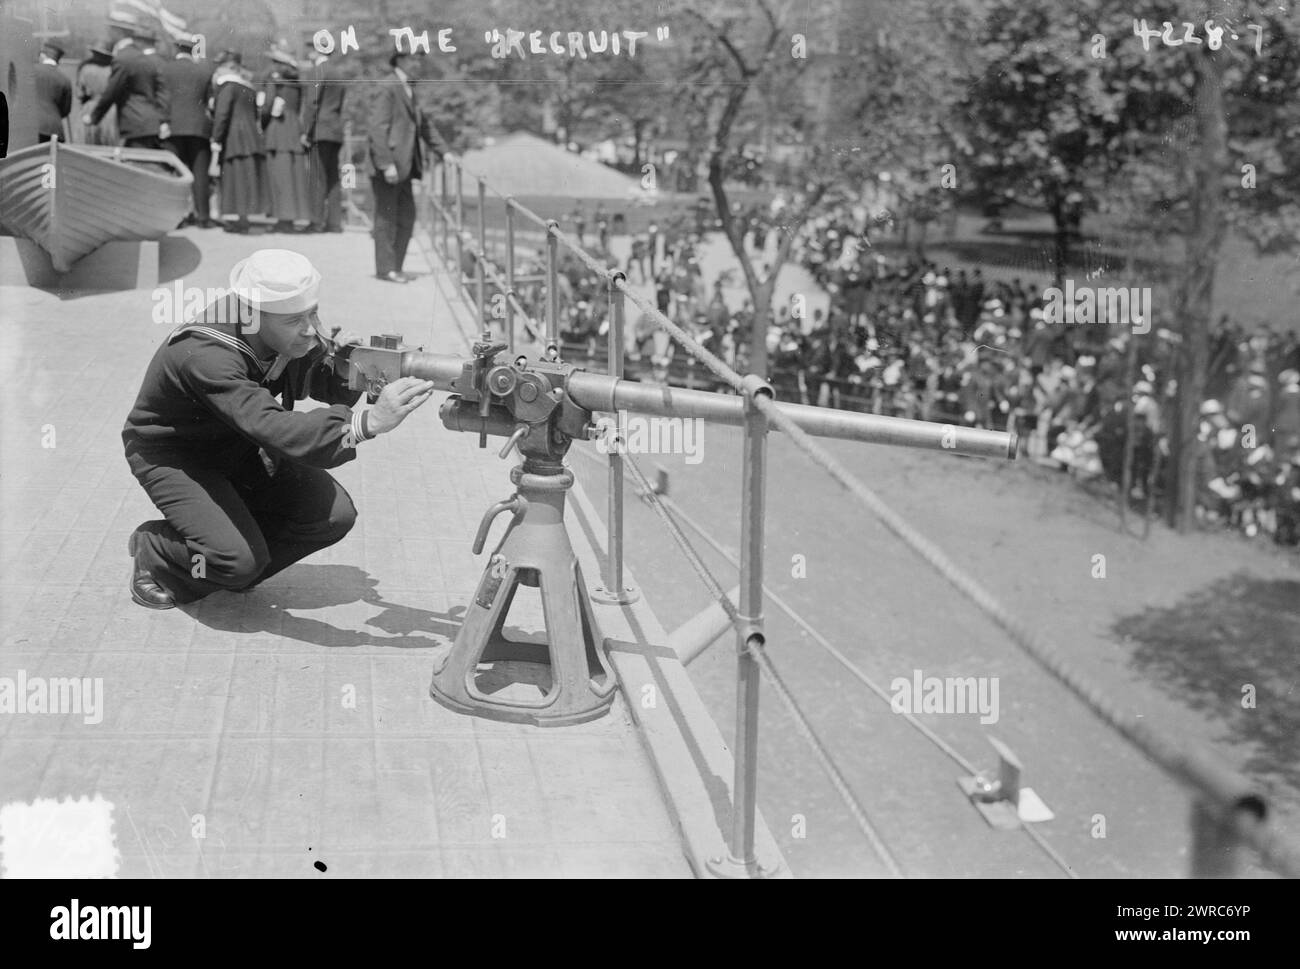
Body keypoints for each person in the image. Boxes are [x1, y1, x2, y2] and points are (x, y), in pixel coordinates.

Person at [121, 249, 438, 609]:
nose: (309, 329)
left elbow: (310, 383)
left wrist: (346, 368)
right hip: (174, 455)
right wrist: (369, 423)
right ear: (251, 316)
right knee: (238, 563)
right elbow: (275, 427)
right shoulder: (206, 355)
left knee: (331, 516)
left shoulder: (275, 328)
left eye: (312, 313)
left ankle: (227, 553)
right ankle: (158, 552)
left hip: (236, 442)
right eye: (293, 321)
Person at [368, 49, 452, 283]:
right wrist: (386, 164)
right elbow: (377, 128)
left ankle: (395, 267)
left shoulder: (409, 87)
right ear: (401, 60)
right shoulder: (388, 87)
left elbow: (424, 126)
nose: (418, 64)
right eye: (414, 59)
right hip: (390, 167)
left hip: (405, 166)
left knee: (407, 216)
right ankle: (386, 270)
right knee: (386, 218)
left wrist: (444, 152)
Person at [85, 13, 168, 149]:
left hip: (135, 123)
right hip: (149, 123)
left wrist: (94, 117)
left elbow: (112, 91)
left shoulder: (124, 58)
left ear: (119, 33)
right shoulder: (145, 60)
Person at [162, 34, 215, 227]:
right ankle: (203, 217)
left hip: (173, 127)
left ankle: (177, 218)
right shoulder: (203, 71)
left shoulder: (166, 69)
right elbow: (210, 101)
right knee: (200, 173)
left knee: (175, 172)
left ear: (176, 49)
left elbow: (162, 98)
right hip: (199, 128)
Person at [211, 51, 266, 233]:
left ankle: (241, 221)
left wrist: (216, 138)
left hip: (235, 138)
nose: (218, 70)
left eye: (221, 66)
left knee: (237, 178)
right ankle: (244, 218)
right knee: (246, 179)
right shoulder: (249, 87)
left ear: (230, 67)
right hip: (251, 138)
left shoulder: (227, 86)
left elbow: (222, 115)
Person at [261, 46, 311, 232]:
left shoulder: (274, 80)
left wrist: (262, 122)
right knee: (293, 176)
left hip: (277, 129)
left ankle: (283, 219)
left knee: (279, 176)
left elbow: (267, 106)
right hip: (293, 128)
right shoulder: (297, 83)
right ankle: (291, 217)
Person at [300, 46, 346, 233]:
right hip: (335, 129)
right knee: (333, 177)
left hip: (319, 129)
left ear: (316, 51)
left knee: (317, 176)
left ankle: (316, 221)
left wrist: (306, 131)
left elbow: (312, 103)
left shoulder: (316, 71)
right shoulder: (337, 72)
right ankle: (334, 223)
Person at [75, 43, 117, 145]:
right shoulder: (114, 69)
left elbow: (80, 93)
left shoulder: (85, 68)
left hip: (90, 108)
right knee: (109, 145)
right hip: (109, 110)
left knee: (87, 145)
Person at [34, 42, 72, 143]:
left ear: (42, 55)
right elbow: (65, 111)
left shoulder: (31, 71)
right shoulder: (65, 80)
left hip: (31, 127)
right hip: (55, 131)